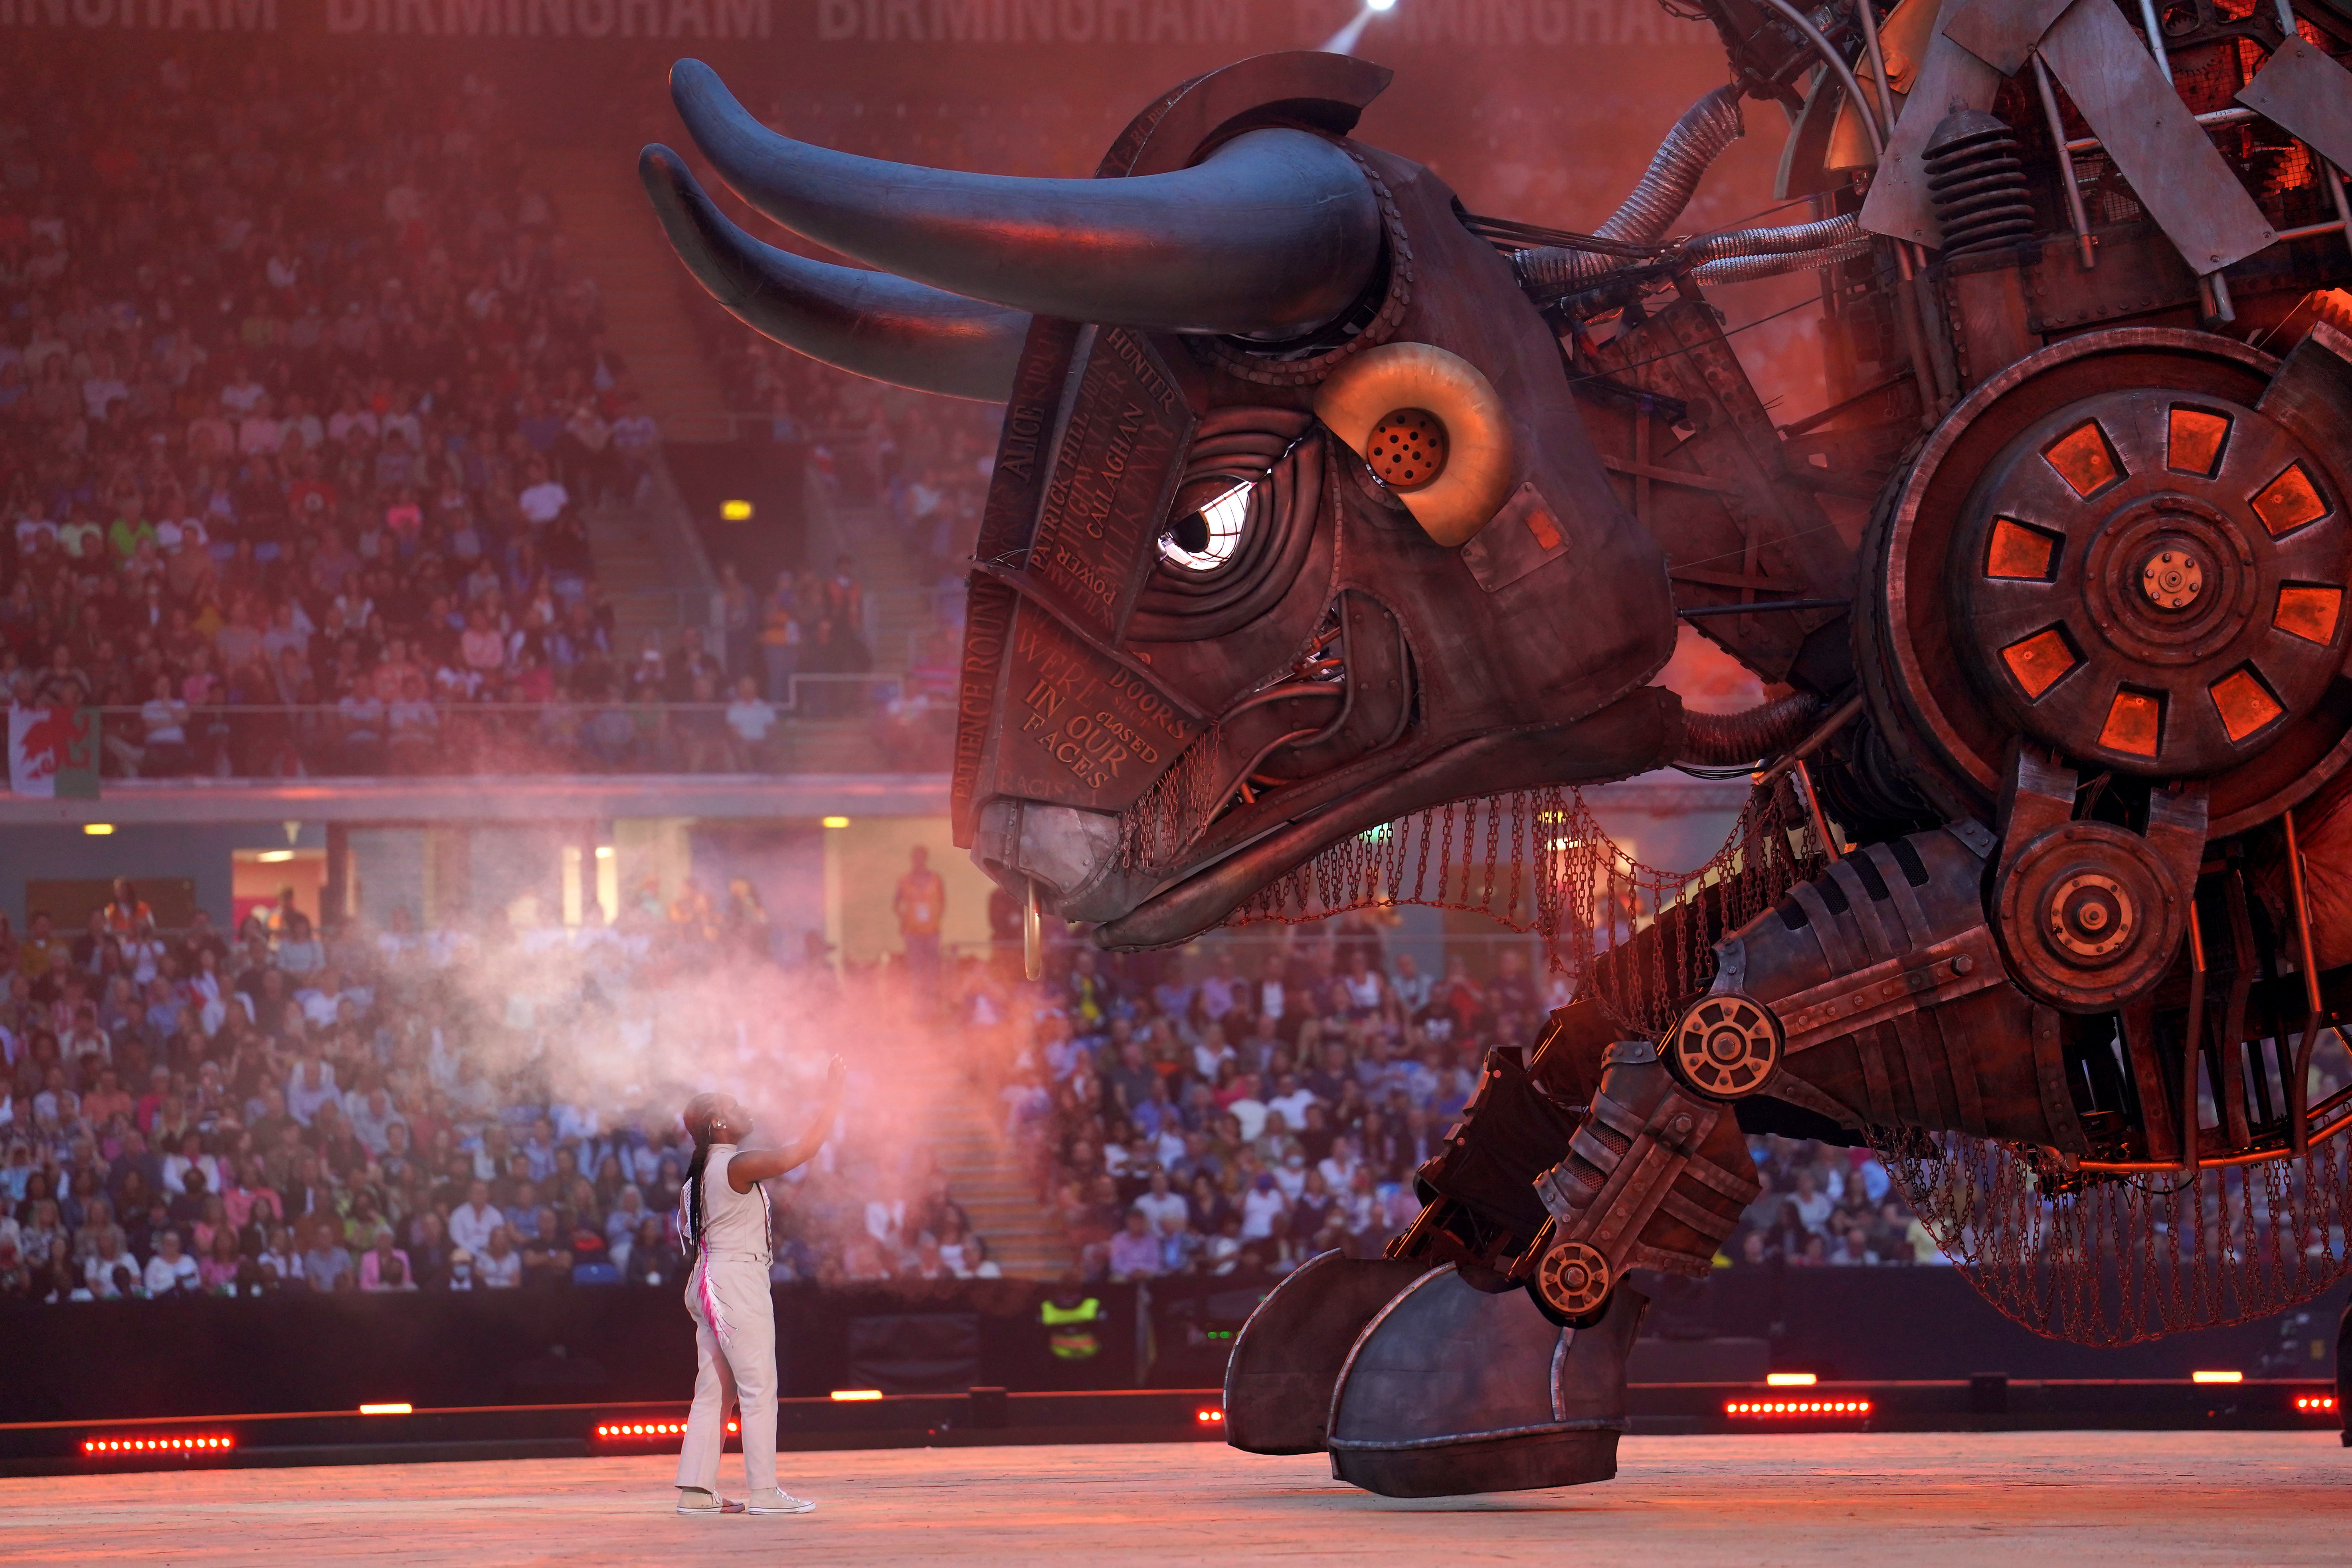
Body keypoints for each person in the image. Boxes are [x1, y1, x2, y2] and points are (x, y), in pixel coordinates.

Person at [673, 1060, 848, 1518]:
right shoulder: (735, 1163)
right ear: (718, 1123)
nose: (744, 1109)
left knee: (715, 1390)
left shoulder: (701, 1172)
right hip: (734, 1279)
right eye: (734, 1107)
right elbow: (803, 1150)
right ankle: (765, 1491)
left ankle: (696, 1489)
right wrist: (833, 1097)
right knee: (758, 1388)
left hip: (709, 1279)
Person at [894, 846, 946, 1011]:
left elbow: (943, 902)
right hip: (912, 932)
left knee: (932, 971)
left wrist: (935, 917)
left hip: (931, 932)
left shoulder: (936, 880)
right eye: (916, 857)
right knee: (916, 971)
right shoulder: (904, 881)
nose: (919, 861)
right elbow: (896, 905)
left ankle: (932, 1008)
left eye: (921, 857)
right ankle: (917, 1008)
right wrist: (905, 919)